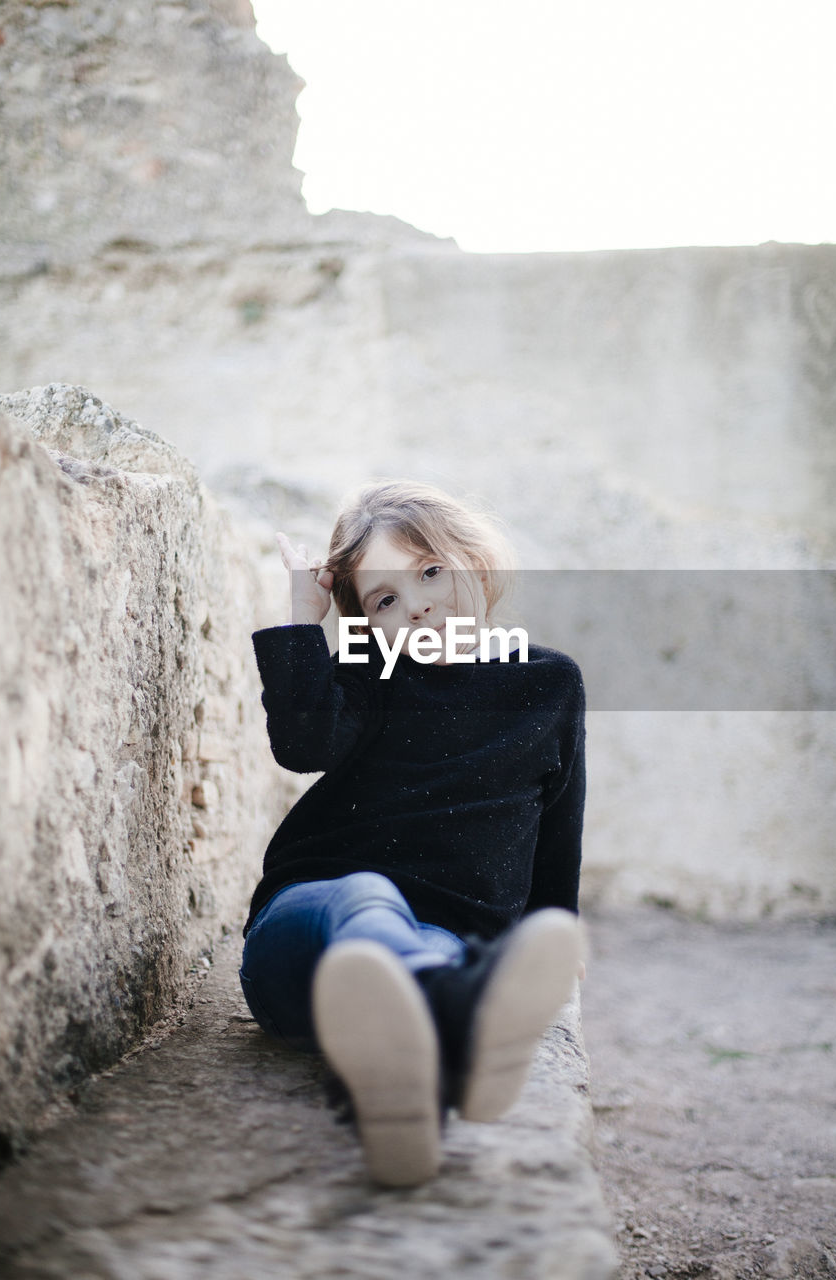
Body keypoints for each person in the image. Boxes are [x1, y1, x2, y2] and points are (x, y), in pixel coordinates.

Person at [239, 480, 586, 1186]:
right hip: (304, 936)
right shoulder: (373, 670)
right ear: (367, 624)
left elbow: (558, 819)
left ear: (475, 562)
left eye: (429, 572)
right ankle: (450, 1022)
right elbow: (303, 744)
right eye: (384, 599)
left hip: (444, 937)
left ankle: (407, 1094)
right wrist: (305, 619)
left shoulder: (547, 684)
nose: (417, 605)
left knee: (434, 954)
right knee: (368, 898)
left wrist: (554, 930)